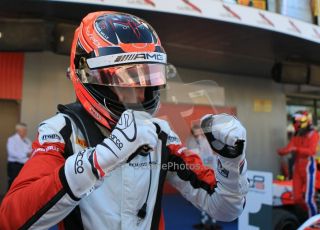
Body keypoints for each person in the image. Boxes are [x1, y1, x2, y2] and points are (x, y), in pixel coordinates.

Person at [0, 11, 248, 230]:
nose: (140, 94)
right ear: (89, 77)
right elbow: (11, 219)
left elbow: (224, 209)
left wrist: (231, 161)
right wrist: (99, 159)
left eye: (147, 79)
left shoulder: (160, 134)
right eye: (127, 79)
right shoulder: (62, 130)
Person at [277, 111, 320, 217]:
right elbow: (289, 148)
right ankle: (310, 214)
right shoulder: (296, 135)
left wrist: (296, 149)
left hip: (308, 166)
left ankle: (315, 219)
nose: (295, 124)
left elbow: (311, 151)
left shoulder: (313, 134)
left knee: (309, 199)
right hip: (297, 167)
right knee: (296, 198)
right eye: (295, 121)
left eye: (297, 121)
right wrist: (282, 151)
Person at [187, 124, 220, 230]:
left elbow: (210, 158)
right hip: (196, 173)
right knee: (200, 198)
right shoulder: (189, 140)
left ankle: (214, 222)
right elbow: (186, 154)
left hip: (208, 173)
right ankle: (204, 221)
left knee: (211, 198)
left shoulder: (206, 141)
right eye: (195, 131)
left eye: (198, 131)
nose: (197, 133)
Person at [6, 122, 32, 189]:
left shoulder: (27, 140)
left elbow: (31, 151)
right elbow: (12, 152)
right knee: (13, 183)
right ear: (18, 130)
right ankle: (10, 199)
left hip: (25, 165)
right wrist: (26, 154)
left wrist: (30, 154)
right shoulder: (12, 139)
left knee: (22, 184)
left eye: (26, 130)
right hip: (14, 166)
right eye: (24, 130)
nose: (25, 132)